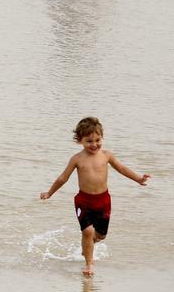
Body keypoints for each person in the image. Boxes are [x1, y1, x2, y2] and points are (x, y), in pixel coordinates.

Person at [39, 117, 151, 276]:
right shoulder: (77, 159)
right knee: (88, 232)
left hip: (103, 201)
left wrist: (138, 179)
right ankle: (89, 265)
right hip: (83, 201)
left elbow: (122, 169)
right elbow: (63, 178)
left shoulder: (106, 155)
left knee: (100, 236)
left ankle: (87, 247)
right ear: (80, 141)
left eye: (98, 140)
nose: (94, 144)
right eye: (89, 141)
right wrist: (49, 193)